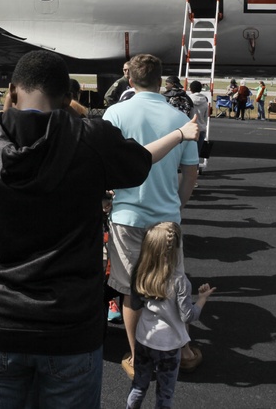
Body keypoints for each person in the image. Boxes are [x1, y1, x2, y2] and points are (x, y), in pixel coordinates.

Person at [0, 50, 198, 408]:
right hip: (70, 325)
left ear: (12, 91)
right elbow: (140, 161)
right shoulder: (92, 138)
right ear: (67, 99)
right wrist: (177, 134)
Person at [103, 54, 201, 378]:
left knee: (131, 290)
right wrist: (179, 204)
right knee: (172, 285)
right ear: (161, 82)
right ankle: (181, 351)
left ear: (130, 80)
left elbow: (104, 163)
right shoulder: (179, 117)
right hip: (166, 216)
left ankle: (136, 356)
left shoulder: (115, 113)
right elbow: (190, 173)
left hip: (127, 217)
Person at [126, 222, 215, 409]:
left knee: (139, 387)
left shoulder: (140, 273)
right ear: (176, 250)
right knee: (165, 394)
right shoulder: (180, 282)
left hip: (144, 339)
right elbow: (188, 316)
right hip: (169, 345)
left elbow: (135, 304)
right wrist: (201, 299)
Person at [187, 81, 210, 164]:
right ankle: (195, 169)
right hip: (201, 129)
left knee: (187, 153)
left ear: (191, 89)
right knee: (197, 153)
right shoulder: (205, 101)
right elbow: (205, 116)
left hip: (190, 129)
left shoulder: (188, 99)